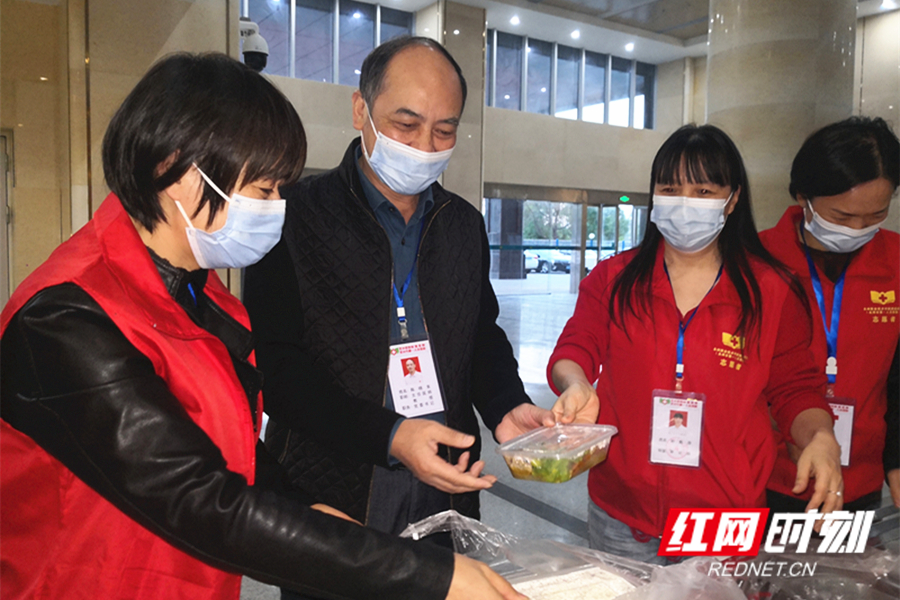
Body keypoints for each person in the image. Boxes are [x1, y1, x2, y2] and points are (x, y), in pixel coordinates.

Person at [0, 52, 525, 600]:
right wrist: (432, 575)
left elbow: (235, 452)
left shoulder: (202, 300)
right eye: (265, 189)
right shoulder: (66, 319)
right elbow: (203, 500)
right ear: (176, 171)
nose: (276, 207)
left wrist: (305, 509)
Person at [244, 36, 574, 600]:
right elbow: (277, 369)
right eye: (406, 123)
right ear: (360, 110)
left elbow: (479, 334)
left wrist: (505, 405)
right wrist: (391, 435)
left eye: (444, 130)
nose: (425, 145)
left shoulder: (462, 224)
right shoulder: (293, 217)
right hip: (335, 486)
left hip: (443, 485)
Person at [546, 124, 843, 565]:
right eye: (670, 188)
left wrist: (819, 436)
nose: (685, 203)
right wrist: (574, 383)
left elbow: (795, 388)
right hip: (623, 513)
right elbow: (576, 347)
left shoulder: (771, 290)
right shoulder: (614, 278)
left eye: (704, 190)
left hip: (724, 516)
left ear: (733, 197)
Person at [761, 116, 900, 512]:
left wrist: (897, 459)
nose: (858, 228)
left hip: (858, 478)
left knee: (847, 575)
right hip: (763, 474)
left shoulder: (896, 263)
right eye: (841, 216)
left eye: (875, 215)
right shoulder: (758, 261)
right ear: (803, 195)